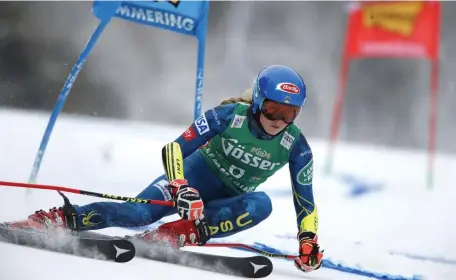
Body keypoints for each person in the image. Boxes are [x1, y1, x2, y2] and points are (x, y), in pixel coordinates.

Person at [6, 65, 323, 273]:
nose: (278, 121)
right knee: (137, 214)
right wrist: (180, 186)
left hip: (219, 205)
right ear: (256, 101)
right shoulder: (229, 116)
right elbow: (174, 148)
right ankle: (56, 219)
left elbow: (305, 201)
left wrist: (308, 239)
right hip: (191, 179)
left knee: (261, 205)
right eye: (272, 109)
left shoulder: (296, 146)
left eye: (289, 114)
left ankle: (170, 235)